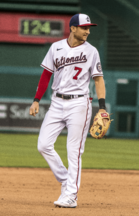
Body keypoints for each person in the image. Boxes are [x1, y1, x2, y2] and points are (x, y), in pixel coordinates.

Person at [29, 13, 108, 208]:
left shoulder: (92, 51)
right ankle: (66, 179)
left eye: (89, 28)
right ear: (73, 28)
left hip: (79, 104)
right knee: (43, 145)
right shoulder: (56, 47)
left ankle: (71, 195)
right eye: (84, 27)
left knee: (74, 151)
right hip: (56, 103)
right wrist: (36, 100)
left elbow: (98, 79)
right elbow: (46, 74)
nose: (88, 31)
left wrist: (103, 107)